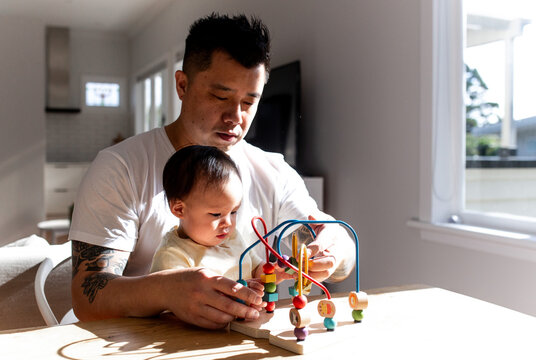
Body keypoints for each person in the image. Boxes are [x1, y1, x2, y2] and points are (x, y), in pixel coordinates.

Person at [70, 13, 356, 329]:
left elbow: (336, 257)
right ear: (182, 85)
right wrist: (167, 290)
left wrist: (337, 247)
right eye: (220, 96)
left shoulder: (274, 173)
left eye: (249, 102)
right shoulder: (121, 168)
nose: (235, 116)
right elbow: (87, 297)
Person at [150, 144, 290, 292]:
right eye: (216, 214)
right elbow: (182, 303)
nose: (228, 223)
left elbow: (256, 269)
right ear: (179, 209)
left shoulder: (233, 238)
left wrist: (272, 273)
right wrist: (236, 291)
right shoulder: (172, 256)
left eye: (234, 211)